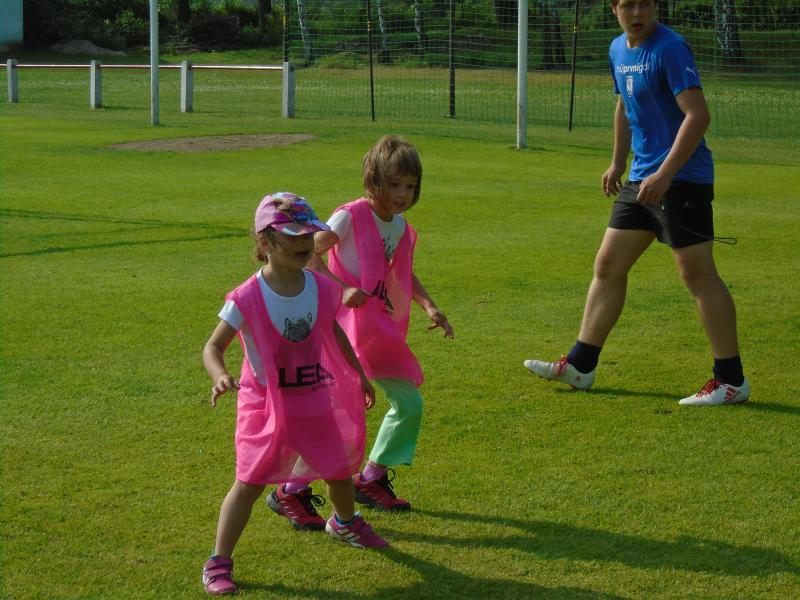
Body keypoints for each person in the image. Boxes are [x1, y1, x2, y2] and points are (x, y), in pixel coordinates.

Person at [524, 0, 749, 406]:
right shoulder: (617, 49)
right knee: (608, 266)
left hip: (682, 180)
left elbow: (697, 116)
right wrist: (617, 162)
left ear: (655, 6)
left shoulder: (670, 48)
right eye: (628, 4)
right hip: (641, 179)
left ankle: (730, 381)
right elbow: (624, 105)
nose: (637, 12)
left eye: (644, 3)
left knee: (698, 276)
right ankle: (581, 365)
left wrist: (665, 174)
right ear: (614, 9)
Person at [201, 193, 387, 596]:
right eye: (293, 236)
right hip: (265, 408)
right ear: (265, 243)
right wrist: (220, 375)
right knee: (248, 484)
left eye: (308, 235)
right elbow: (212, 347)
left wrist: (358, 375)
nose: (304, 242)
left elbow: (333, 331)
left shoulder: (320, 287)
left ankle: (345, 523)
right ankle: (218, 561)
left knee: (338, 471)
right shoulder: (245, 297)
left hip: (314, 396)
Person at [266, 135, 454, 530]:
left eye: (410, 186)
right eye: (394, 184)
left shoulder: (399, 226)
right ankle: (291, 490)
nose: (402, 195)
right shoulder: (349, 216)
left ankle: (370, 477)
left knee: (409, 403)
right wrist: (341, 288)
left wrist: (430, 305)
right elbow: (310, 254)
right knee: (337, 413)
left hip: (376, 329)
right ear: (373, 180)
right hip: (342, 328)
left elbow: (402, 274)